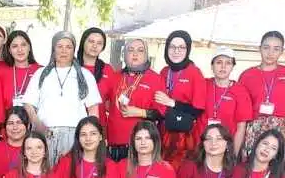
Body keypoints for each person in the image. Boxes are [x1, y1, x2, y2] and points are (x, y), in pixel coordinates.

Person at [20, 30, 101, 165]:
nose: (64, 51)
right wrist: (38, 124)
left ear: (74, 50)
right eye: (60, 46)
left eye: (68, 47)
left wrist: (91, 135)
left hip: (75, 135)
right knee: (45, 172)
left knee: (71, 172)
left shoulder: (85, 75)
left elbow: (93, 109)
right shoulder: (41, 73)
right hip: (45, 133)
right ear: (53, 49)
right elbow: (28, 104)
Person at [101, 38, 163, 162]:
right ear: (124, 54)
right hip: (114, 143)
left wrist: (140, 112)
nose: (135, 54)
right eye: (130, 50)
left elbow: (161, 113)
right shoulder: (115, 76)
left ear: (146, 55)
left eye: (140, 50)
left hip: (140, 145)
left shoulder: (156, 79)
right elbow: (103, 102)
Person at [238, 30, 285, 160]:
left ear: (282, 51)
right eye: (266, 48)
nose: (270, 53)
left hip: (281, 128)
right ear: (259, 48)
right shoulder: (247, 75)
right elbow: (241, 108)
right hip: (254, 127)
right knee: (252, 165)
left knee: (277, 166)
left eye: (276, 49)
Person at [154, 30, 207, 168]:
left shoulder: (195, 73)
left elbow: (198, 110)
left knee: (178, 172)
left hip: (183, 136)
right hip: (163, 131)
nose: (176, 51)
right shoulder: (164, 71)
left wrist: (172, 103)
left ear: (187, 49)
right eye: (172, 47)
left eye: (181, 47)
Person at [197, 47, 251, 159]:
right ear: (212, 66)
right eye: (219, 62)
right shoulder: (202, 84)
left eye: (228, 63)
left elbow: (241, 127)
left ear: (232, 67)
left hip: (225, 148)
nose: (223, 67)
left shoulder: (240, 91)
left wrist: (233, 155)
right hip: (201, 145)